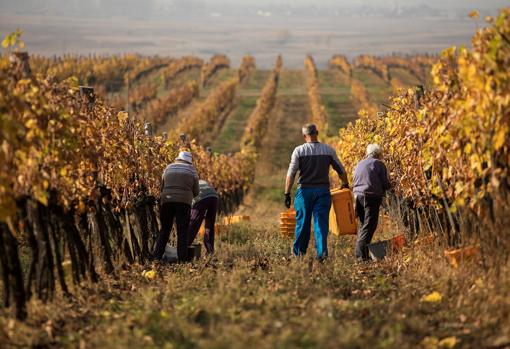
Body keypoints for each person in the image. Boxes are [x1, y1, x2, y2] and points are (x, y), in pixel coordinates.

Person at [285, 123, 349, 261]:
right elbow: (341, 170)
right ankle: (322, 255)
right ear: (317, 133)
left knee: (302, 224)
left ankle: (298, 255)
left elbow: (291, 174)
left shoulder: (299, 151)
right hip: (322, 191)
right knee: (321, 223)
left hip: (304, 191)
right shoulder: (328, 150)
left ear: (304, 136)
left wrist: (287, 193)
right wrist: (345, 184)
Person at [152, 151, 199, 262]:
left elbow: (161, 186)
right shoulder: (192, 170)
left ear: (178, 159)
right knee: (182, 231)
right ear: (189, 161)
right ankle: (182, 259)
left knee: (165, 230)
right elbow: (196, 191)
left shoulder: (168, 168)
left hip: (167, 200)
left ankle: (157, 257)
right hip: (184, 202)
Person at [352, 144, 391, 261]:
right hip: (371, 197)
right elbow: (385, 183)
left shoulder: (360, 163)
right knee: (370, 226)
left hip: (358, 197)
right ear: (379, 154)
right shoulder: (379, 164)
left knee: (364, 225)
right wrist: (390, 187)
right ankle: (360, 256)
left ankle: (363, 255)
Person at [188, 180, 219, 254]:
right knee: (209, 226)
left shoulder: (188, 184)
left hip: (202, 197)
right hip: (214, 196)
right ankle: (210, 251)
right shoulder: (202, 181)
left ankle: (185, 247)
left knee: (193, 224)